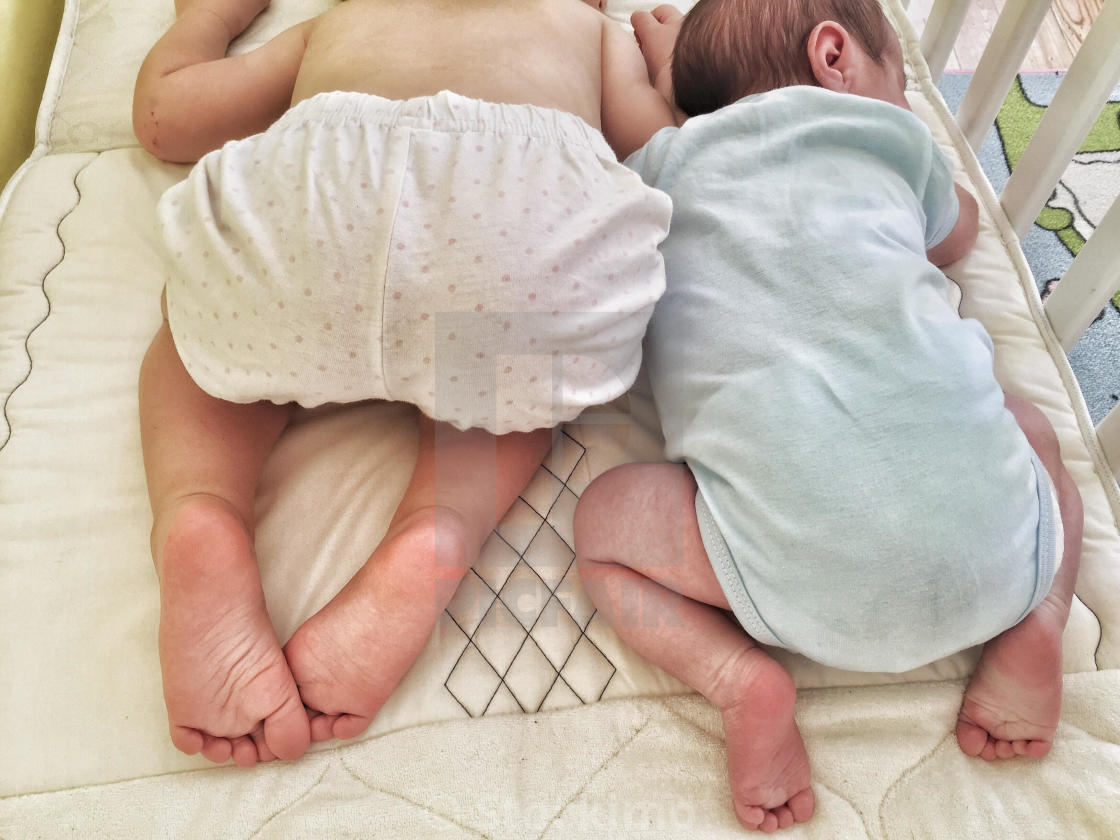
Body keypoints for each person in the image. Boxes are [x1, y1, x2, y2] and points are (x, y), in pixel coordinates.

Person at [572, 0, 1084, 832]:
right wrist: (908, 143)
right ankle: (1040, 621)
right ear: (836, 57)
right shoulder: (886, 142)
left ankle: (742, 680)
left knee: (600, 529)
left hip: (786, 580)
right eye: (905, 84)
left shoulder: (659, 170)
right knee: (1031, 430)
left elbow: (633, 109)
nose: (909, 109)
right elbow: (958, 233)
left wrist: (671, 82)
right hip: (995, 549)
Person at [134, 0, 672, 769]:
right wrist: (673, 61)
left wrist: (204, 22)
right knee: (516, 384)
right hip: (506, 227)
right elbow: (674, 146)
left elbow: (166, 120)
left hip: (319, 196)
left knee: (199, 338)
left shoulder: (344, 21)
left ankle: (200, 514)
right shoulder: (586, 33)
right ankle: (437, 529)